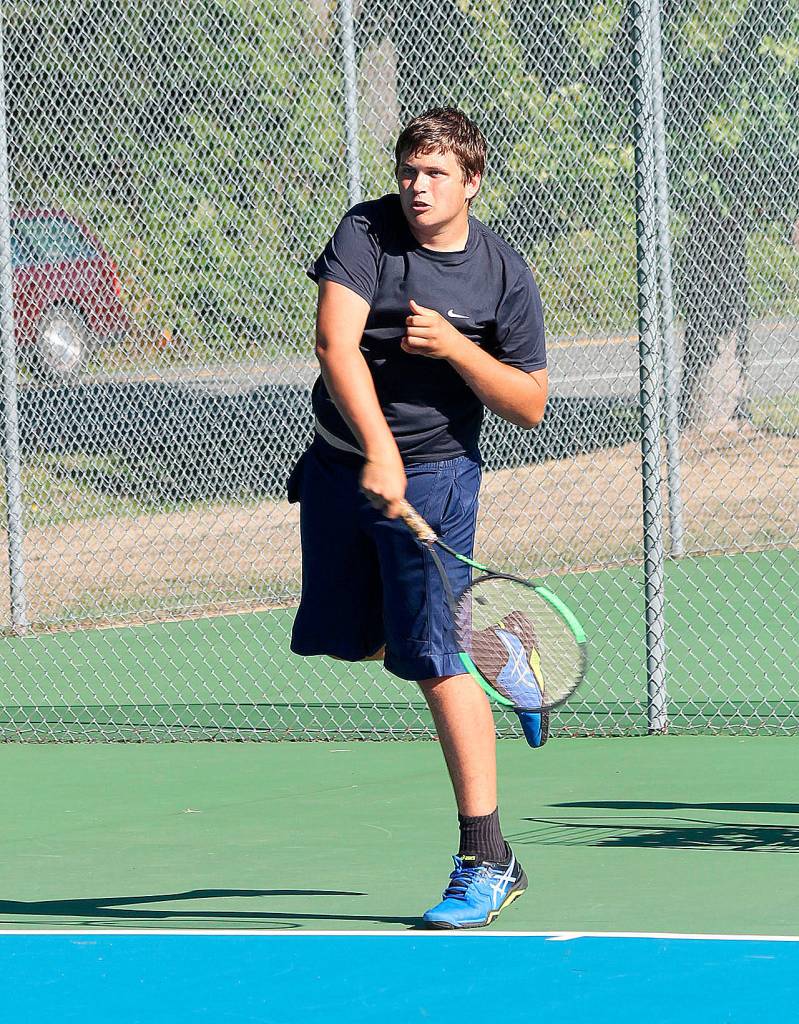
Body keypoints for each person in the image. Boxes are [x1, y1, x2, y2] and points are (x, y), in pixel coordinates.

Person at [288, 107, 548, 929]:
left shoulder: (503, 275)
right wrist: (375, 451)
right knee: (357, 642)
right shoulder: (367, 232)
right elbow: (334, 344)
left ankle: (487, 858)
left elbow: (530, 405)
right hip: (342, 467)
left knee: (433, 663)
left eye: (435, 174)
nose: (417, 186)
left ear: (471, 183)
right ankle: (501, 646)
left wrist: (459, 351)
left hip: (435, 481)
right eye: (408, 170)